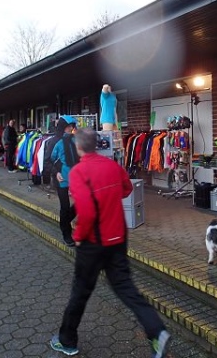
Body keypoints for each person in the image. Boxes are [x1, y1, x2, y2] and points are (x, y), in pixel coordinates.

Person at [50, 128, 171, 358]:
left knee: (80, 291)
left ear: (78, 146)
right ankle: (157, 331)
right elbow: (126, 189)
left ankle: (67, 340)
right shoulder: (112, 166)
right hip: (118, 237)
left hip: (93, 242)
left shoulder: (78, 172)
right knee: (126, 287)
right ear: (96, 144)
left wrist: (78, 237)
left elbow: (86, 213)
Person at [50, 116, 79, 246]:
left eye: (72, 126)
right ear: (63, 127)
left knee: (80, 204)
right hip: (62, 179)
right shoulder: (55, 142)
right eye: (68, 126)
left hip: (76, 179)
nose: (70, 129)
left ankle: (64, 222)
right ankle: (66, 233)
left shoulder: (76, 140)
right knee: (65, 207)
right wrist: (56, 172)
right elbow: (49, 160)